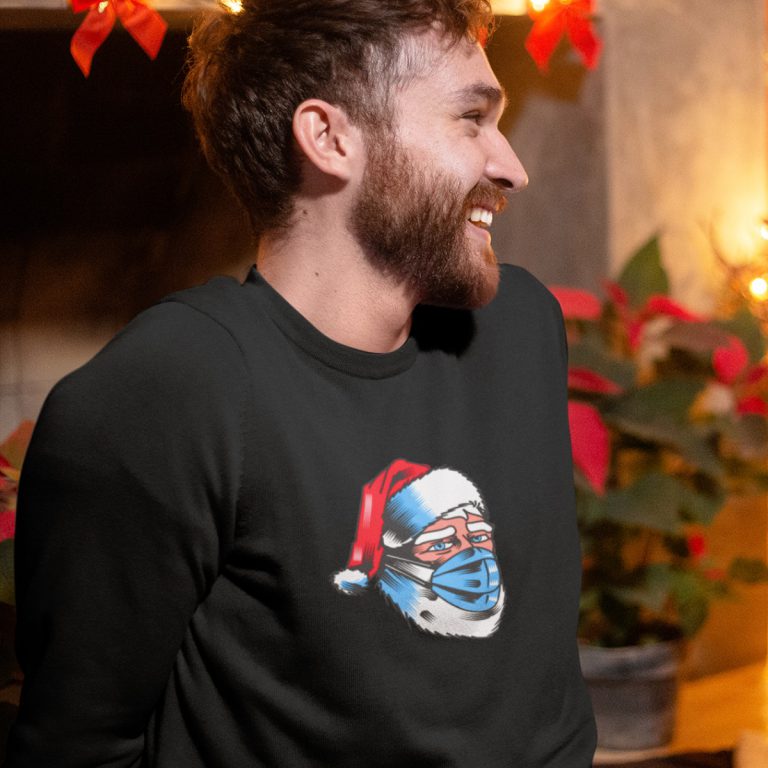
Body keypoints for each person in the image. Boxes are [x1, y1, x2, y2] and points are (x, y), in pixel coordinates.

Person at [7, 1, 597, 766]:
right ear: (329, 138)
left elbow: (540, 696)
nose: (512, 166)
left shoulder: (520, 327)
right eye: (471, 119)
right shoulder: (171, 390)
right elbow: (77, 747)